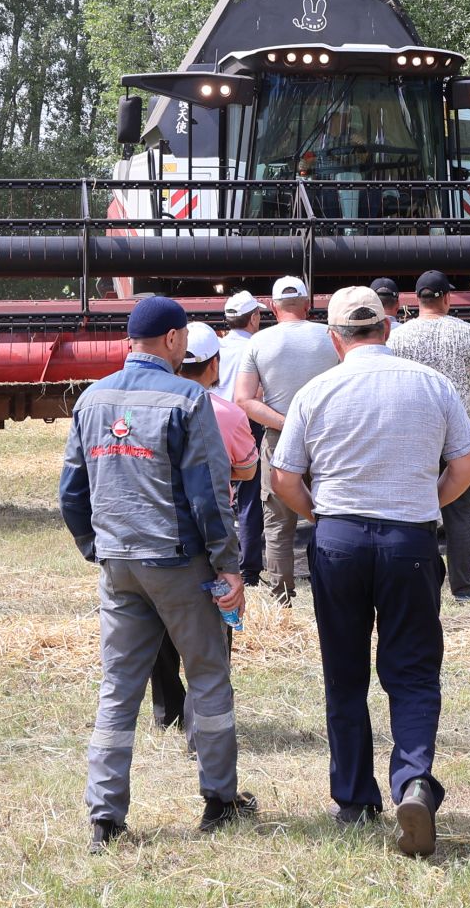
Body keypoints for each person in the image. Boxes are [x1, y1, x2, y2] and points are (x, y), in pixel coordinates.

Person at [269, 285, 470, 857]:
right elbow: (467, 463)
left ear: (336, 339)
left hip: (338, 536)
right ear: (388, 327)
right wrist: (429, 505)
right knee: (411, 670)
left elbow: (283, 479)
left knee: (344, 673)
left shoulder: (317, 390)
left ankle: (355, 799)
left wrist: (324, 516)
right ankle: (413, 780)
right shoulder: (430, 384)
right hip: (409, 538)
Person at [58, 296, 254, 850]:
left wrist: (96, 547)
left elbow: (71, 492)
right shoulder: (190, 399)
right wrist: (228, 567)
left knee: (118, 688)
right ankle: (220, 800)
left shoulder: (92, 398)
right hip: (180, 564)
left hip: (119, 564)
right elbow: (210, 498)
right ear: (173, 341)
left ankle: (105, 818)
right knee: (209, 676)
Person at [149, 322, 262, 734]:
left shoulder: (152, 402)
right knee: (212, 636)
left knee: (158, 627)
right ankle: (203, 721)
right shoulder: (228, 413)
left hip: (154, 531)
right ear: (214, 365)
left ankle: (167, 711)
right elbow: (248, 469)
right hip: (209, 534)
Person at [387, 270, 470, 603]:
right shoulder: (467, 333)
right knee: (458, 512)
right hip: (457, 433)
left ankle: (415, 581)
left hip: (413, 432)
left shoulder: (398, 337)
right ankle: (465, 588)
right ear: (447, 298)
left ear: (415, 300)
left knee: (412, 508)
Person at [235, 275, 339, 604]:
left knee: (278, 519)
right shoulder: (330, 337)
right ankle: (334, 587)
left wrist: (287, 422)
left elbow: (244, 400)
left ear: (271, 306)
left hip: (278, 438)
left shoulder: (258, 343)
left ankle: (282, 596)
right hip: (327, 436)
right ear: (308, 305)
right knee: (332, 512)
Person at [217, 291, 266, 588]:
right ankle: (248, 570)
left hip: (212, 420)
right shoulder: (258, 347)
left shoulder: (217, 346)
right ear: (254, 317)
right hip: (245, 423)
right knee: (249, 498)